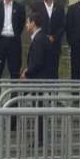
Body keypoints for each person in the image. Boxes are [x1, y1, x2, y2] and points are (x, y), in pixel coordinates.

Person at [21, 12, 52, 146]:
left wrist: (27, 73)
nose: (26, 25)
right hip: (38, 78)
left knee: (38, 110)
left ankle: (39, 139)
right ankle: (39, 138)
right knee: (37, 109)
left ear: (33, 23)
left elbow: (38, 61)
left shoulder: (39, 39)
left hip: (38, 79)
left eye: (28, 22)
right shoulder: (39, 37)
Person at [0, 0, 26, 79]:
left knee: (14, 71)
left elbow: (21, 24)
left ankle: (14, 94)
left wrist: (15, 34)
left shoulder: (20, 7)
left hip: (14, 41)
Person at [33, 0, 65, 79]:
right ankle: (41, 92)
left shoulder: (59, 7)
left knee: (54, 70)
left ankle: (53, 92)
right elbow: (35, 24)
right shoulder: (37, 7)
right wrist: (43, 37)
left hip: (54, 44)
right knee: (41, 70)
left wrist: (54, 37)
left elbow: (62, 25)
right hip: (41, 43)